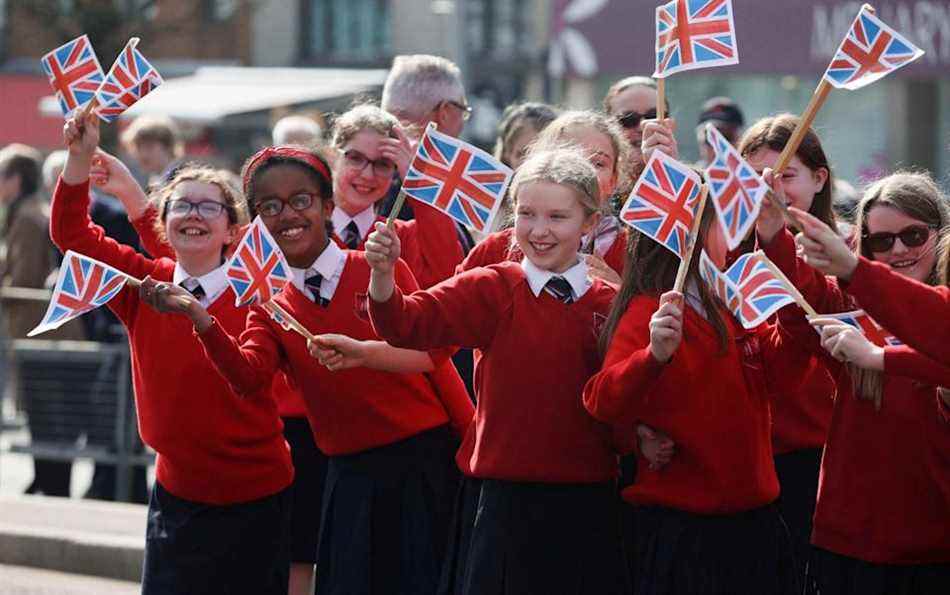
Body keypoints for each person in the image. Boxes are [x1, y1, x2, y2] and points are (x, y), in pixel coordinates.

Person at [145, 144, 471, 595]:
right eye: (270, 206)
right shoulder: (269, 304)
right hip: (348, 474)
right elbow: (248, 377)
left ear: (328, 208)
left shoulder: (372, 266)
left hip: (419, 465)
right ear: (256, 222)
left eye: (301, 201)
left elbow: (432, 351)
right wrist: (203, 321)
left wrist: (366, 342)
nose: (288, 216)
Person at [366, 147, 631, 595]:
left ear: (589, 223)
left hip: (589, 501)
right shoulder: (492, 285)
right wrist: (383, 274)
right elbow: (405, 324)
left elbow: (631, 392)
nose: (539, 231)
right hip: (503, 499)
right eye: (526, 214)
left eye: (558, 217)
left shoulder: (611, 302)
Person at [54, 111, 294, 594]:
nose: (195, 215)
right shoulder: (142, 286)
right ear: (164, 225)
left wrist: (199, 317)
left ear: (232, 231)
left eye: (210, 208)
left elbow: (249, 376)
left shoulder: (261, 292)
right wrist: (79, 158)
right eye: (182, 206)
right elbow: (70, 235)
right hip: (177, 497)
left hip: (257, 497)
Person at [583, 198, 801, 595]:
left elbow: (784, 376)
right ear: (692, 239)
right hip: (684, 529)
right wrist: (653, 356)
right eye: (721, 227)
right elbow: (602, 401)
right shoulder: (649, 311)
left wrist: (792, 315)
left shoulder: (730, 301)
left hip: (753, 520)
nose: (731, 239)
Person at [758, 170, 950, 594]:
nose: (899, 250)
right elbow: (801, 301)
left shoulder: (939, 309)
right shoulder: (850, 302)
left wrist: (882, 358)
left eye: (914, 235)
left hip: (935, 545)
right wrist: (774, 235)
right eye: (882, 241)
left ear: (941, 233)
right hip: (851, 542)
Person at [1, 143, 85, 497]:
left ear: (16, 179)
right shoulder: (36, 212)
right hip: (53, 333)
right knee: (52, 418)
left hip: (42, 335)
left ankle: (51, 486)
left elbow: (24, 280)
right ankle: (47, 481)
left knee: (47, 417)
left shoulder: (26, 218)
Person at [461, 110, 632, 282]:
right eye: (568, 157)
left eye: (598, 163)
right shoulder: (496, 249)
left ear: (613, 179)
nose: (584, 171)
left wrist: (619, 296)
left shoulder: (632, 254)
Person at [328, 104, 463, 289]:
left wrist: (416, 181)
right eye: (355, 158)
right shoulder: (306, 230)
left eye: (383, 164)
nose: (367, 174)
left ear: (395, 173)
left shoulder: (401, 237)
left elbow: (447, 273)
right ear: (332, 156)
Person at [603, 75, 674, 181]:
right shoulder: (595, 190)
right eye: (629, 119)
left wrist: (671, 171)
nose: (643, 127)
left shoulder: (699, 186)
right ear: (608, 128)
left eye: (653, 116)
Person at [120, 115, 185, 188]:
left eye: (149, 147)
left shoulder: (182, 180)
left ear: (168, 146)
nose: (143, 154)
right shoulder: (156, 180)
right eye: (138, 147)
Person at [695, 97, 745, 168]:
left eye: (726, 137)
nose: (717, 146)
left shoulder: (758, 176)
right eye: (710, 138)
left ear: (743, 139)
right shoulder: (690, 177)